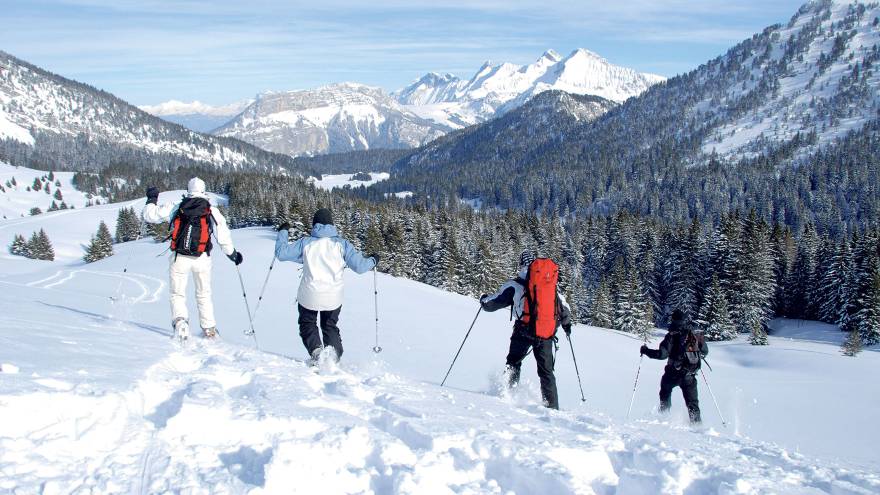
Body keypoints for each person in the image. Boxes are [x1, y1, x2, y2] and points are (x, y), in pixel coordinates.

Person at [143, 178, 243, 341]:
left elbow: (150, 216)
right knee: (203, 293)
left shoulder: (177, 206)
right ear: (204, 191)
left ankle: (181, 322)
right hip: (202, 258)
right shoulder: (211, 210)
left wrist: (152, 198)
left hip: (180, 257)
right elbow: (222, 233)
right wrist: (232, 254)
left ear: (188, 190)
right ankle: (209, 329)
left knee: (177, 293)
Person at [275, 208, 376, 363]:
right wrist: (373, 260)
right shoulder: (342, 245)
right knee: (329, 325)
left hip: (309, 295)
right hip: (333, 297)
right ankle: (333, 356)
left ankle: (317, 352)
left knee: (307, 323)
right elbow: (360, 267)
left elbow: (281, 254)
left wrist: (283, 232)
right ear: (332, 225)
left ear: (314, 225)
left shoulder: (306, 243)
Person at [479, 250, 572, 410]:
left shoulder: (515, 285)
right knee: (546, 373)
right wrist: (566, 326)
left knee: (513, 362)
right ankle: (552, 408)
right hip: (545, 334)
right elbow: (564, 309)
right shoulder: (548, 283)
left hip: (523, 330)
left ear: (521, 264)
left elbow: (492, 304)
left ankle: (509, 395)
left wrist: (483, 299)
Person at [641, 309, 709, 424]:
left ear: (673, 320)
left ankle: (664, 417)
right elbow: (705, 352)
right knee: (692, 404)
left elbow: (662, 355)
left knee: (665, 393)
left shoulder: (671, 336)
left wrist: (646, 351)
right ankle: (698, 428)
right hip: (690, 376)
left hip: (672, 374)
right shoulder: (694, 335)